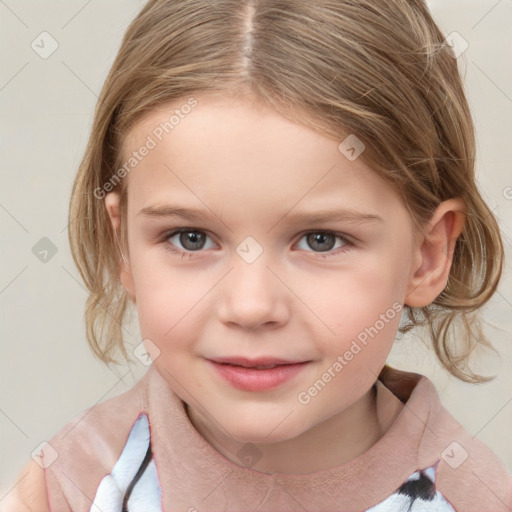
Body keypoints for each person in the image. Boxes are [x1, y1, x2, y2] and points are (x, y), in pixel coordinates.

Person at [3, 0, 511, 510]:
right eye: (191, 238)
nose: (250, 307)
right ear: (125, 248)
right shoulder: (68, 486)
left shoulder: (475, 497)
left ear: (426, 256)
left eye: (321, 240)